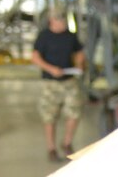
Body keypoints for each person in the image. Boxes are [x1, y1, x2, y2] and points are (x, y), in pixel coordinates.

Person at [31, 9, 84, 162]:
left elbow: (79, 52)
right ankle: (51, 148)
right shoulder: (44, 37)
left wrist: (79, 63)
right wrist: (51, 69)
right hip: (50, 83)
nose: (63, 23)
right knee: (49, 116)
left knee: (74, 111)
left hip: (69, 80)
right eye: (60, 20)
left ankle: (67, 142)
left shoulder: (70, 36)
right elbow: (35, 57)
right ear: (52, 21)